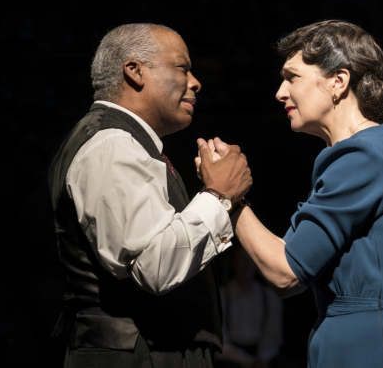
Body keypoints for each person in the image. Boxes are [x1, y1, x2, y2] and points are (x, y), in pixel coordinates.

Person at [197, 20, 383, 367]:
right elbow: (292, 264)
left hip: (376, 348)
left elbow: (285, 274)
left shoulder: (362, 157)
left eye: (292, 77)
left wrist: (225, 196)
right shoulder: (368, 152)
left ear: (338, 82)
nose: (279, 92)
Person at [47, 23, 252, 368]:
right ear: (135, 71)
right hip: (137, 355)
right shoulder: (112, 144)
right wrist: (219, 194)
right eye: (182, 67)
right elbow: (155, 266)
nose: (195, 81)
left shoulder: (123, 143)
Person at [215, 244, 283, 368]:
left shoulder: (269, 296)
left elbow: (273, 336)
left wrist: (261, 358)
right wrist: (248, 361)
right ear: (234, 263)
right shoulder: (223, 296)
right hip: (230, 358)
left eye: (250, 260)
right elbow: (221, 340)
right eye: (241, 260)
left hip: (261, 356)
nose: (245, 266)